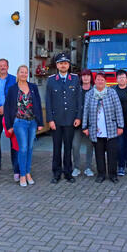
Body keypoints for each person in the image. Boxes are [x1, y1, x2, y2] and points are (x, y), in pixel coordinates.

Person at [4, 65, 44, 187]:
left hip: (32, 122)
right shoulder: (12, 89)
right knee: (23, 148)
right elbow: (7, 108)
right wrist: (9, 125)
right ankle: (22, 175)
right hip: (19, 122)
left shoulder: (33, 87)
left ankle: (27, 173)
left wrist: (40, 122)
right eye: (21, 72)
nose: (24, 74)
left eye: (26, 72)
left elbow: (37, 104)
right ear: (17, 73)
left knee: (30, 149)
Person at [45, 52, 82, 184]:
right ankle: (56, 173)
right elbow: (48, 101)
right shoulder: (51, 80)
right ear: (57, 65)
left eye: (65, 63)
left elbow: (79, 100)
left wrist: (78, 117)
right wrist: (50, 120)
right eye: (61, 63)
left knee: (68, 148)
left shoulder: (75, 79)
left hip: (70, 120)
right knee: (56, 148)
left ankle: (68, 173)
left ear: (68, 65)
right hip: (56, 121)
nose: (63, 65)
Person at [82, 72, 124, 183]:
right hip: (95, 129)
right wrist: (85, 127)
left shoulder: (112, 93)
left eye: (102, 80)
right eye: (98, 79)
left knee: (112, 154)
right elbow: (85, 111)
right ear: (94, 81)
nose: (100, 81)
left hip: (111, 128)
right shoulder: (89, 94)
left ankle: (112, 175)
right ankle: (101, 174)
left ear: (105, 82)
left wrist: (120, 126)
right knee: (99, 153)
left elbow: (118, 110)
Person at [71, 68, 95, 177]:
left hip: (91, 124)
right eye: (83, 76)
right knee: (75, 145)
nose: (85, 78)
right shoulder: (76, 90)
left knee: (90, 146)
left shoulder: (95, 90)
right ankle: (76, 167)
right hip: (78, 123)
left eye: (88, 75)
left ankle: (88, 167)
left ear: (91, 77)